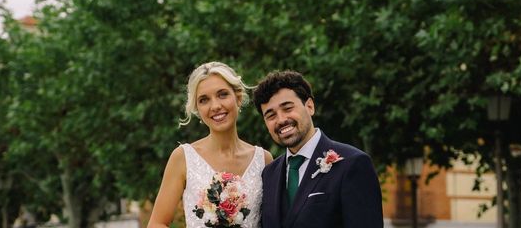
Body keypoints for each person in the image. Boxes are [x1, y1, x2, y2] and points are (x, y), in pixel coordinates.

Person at [148, 61, 273, 228]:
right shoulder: (182, 158)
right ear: (197, 109)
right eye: (204, 100)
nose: (215, 106)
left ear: (238, 97)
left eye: (222, 94)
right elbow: (157, 223)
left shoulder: (264, 160)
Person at [253, 70, 383, 228]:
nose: (281, 120)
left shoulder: (353, 164)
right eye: (271, 115)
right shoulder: (269, 174)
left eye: (287, 108)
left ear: (310, 106)